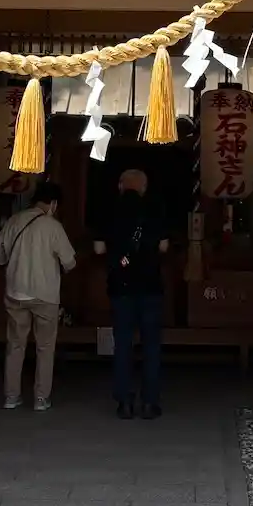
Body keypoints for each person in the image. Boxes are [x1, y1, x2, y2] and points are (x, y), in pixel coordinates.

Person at [0, 182, 75, 411]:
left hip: (15, 292)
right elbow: (69, 262)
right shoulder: (53, 226)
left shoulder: (14, 220)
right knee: (45, 348)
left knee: (15, 345)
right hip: (45, 295)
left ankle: (11, 397)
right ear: (53, 204)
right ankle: (40, 399)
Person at [95, 169, 168, 419]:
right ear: (144, 187)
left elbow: (98, 248)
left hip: (121, 286)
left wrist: (119, 253)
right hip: (150, 286)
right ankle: (149, 402)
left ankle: (124, 402)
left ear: (120, 185)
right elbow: (164, 245)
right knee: (151, 346)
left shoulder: (109, 209)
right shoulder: (155, 209)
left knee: (123, 344)